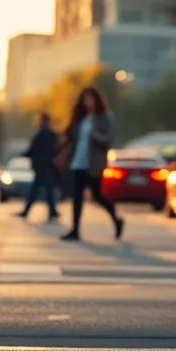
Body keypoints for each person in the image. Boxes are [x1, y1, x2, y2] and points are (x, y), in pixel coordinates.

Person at [59, 87, 124, 242]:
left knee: (97, 195)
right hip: (77, 162)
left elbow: (108, 139)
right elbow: (70, 136)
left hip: (94, 163)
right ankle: (75, 230)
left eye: (90, 98)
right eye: (84, 99)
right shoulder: (80, 118)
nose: (87, 102)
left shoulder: (105, 117)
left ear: (96, 99)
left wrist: (94, 135)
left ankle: (116, 219)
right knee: (77, 197)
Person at [17, 112, 60, 222]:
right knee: (46, 190)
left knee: (37, 190)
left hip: (41, 166)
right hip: (48, 165)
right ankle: (52, 211)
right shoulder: (52, 135)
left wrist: (22, 154)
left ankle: (29, 211)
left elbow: (32, 150)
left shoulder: (40, 135)